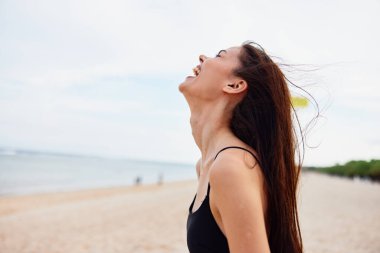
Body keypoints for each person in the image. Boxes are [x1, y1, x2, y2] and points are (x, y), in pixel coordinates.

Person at [178, 41, 304, 253]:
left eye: (219, 55)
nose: (202, 57)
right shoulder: (206, 166)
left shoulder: (231, 167)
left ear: (235, 85)